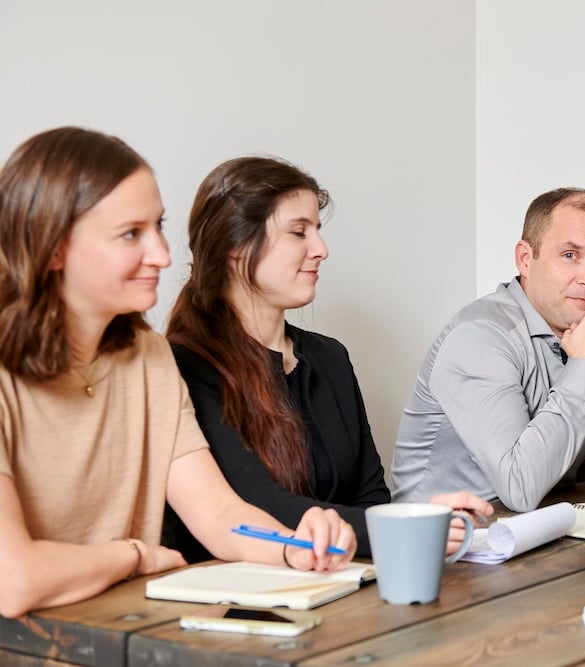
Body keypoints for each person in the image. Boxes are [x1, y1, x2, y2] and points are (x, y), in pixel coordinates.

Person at [0, 128, 356, 618]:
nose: (163, 256)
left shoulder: (147, 356)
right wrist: (134, 555)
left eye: (158, 227)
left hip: (126, 633)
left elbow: (219, 515)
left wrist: (291, 547)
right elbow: (13, 582)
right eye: (131, 234)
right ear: (54, 247)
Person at [164, 156, 492, 561]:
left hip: (340, 583)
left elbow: (369, 498)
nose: (321, 249)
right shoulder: (186, 366)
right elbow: (263, 507)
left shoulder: (329, 357)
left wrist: (417, 521)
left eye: (317, 230)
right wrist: (408, 525)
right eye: (299, 232)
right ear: (235, 245)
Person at [391, 188, 585, 512]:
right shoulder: (480, 337)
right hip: (451, 548)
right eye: (570, 255)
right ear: (525, 259)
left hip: (543, 534)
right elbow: (520, 487)